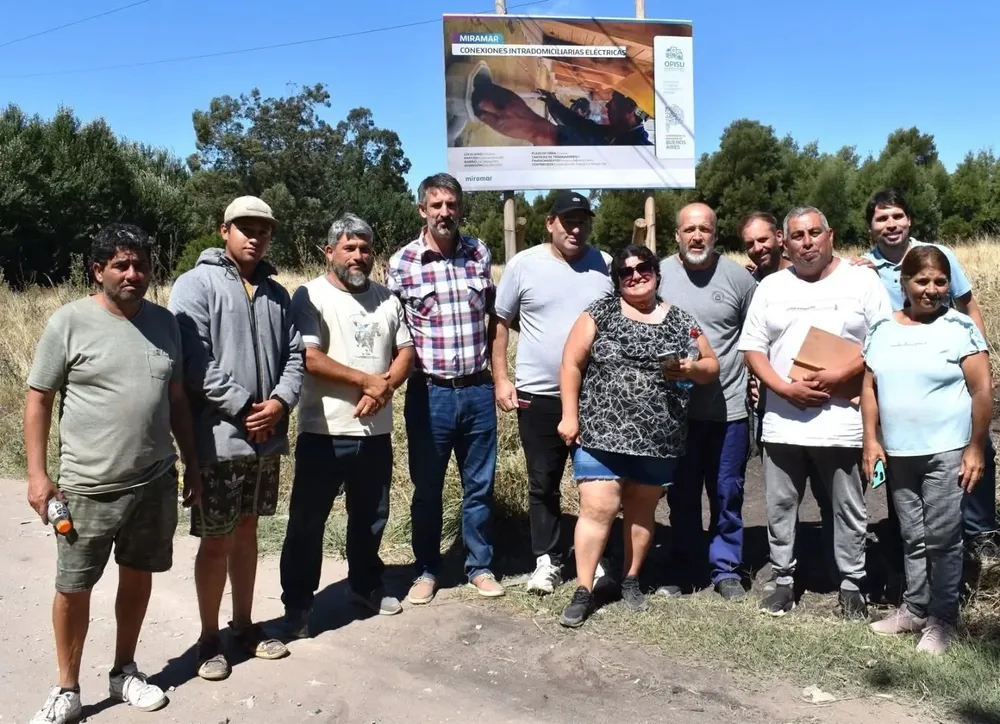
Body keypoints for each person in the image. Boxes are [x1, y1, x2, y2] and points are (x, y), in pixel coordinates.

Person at [24, 223, 201, 723]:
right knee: (73, 586)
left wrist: (192, 463)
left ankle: (125, 672)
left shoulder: (166, 324)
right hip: (87, 487)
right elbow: (39, 399)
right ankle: (67, 689)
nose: (132, 274)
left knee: (138, 575)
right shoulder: (69, 322)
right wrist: (37, 476)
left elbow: (176, 400)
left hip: (154, 480)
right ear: (97, 270)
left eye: (141, 265)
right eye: (121, 265)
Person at [169, 196, 304, 681]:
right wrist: (246, 407)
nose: (255, 237)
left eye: (263, 230)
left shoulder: (277, 293)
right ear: (224, 230)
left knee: (248, 532)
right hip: (218, 439)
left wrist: (280, 403)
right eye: (246, 228)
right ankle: (209, 638)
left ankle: (243, 625)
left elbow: (295, 356)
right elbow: (194, 360)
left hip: (265, 439)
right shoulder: (195, 284)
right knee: (215, 539)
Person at [738, 206, 892, 619]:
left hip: (842, 422)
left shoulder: (862, 281)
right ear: (785, 243)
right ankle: (783, 580)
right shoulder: (771, 287)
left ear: (830, 235)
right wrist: (783, 388)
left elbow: (883, 339)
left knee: (848, 507)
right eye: (797, 236)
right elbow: (753, 348)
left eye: (814, 233)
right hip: (782, 422)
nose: (807, 243)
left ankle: (851, 583)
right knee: (780, 506)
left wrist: (841, 373)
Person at [557, 245, 720, 627]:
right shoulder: (599, 313)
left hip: (659, 436)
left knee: (641, 510)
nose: (635, 275)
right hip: (601, 433)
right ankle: (584, 589)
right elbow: (571, 363)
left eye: (643, 267)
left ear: (656, 272)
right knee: (598, 508)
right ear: (616, 280)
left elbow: (712, 366)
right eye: (625, 272)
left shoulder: (680, 319)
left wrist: (692, 369)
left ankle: (630, 579)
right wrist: (569, 415)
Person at [280, 214, 415, 634]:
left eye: (365, 249)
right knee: (308, 521)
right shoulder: (310, 296)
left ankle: (365, 584)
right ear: (329, 252)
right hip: (324, 431)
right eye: (349, 248)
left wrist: (382, 389)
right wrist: (366, 382)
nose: (358, 256)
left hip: (375, 432)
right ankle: (298, 604)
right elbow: (309, 357)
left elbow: (406, 352)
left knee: (371, 516)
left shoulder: (388, 299)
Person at [854, 188, 997, 562]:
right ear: (870, 227)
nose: (891, 224)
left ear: (909, 220)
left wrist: (978, 356)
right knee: (902, 456)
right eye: (882, 218)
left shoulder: (938, 255)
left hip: (947, 365)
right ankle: (907, 540)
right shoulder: (864, 270)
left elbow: (968, 306)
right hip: (900, 376)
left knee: (975, 446)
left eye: (897, 216)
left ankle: (980, 532)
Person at [862, 246, 991, 654]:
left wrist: (976, 447)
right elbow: (870, 387)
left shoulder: (959, 327)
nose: (931, 290)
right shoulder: (883, 328)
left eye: (940, 282)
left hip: (947, 451)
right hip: (900, 453)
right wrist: (871, 440)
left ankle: (942, 619)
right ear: (904, 283)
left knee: (943, 537)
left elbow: (982, 390)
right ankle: (915, 608)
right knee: (912, 534)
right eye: (922, 281)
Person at [387, 173, 504, 604]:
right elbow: (393, 331)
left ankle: (480, 566)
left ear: (460, 209)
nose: (444, 212)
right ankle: (426, 569)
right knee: (428, 488)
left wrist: (499, 376)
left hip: (477, 390)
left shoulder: (479, 253)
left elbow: (494, 320)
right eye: (436, 205)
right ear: (422, 210)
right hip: (429, 393)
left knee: (480, 486)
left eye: (451, 204)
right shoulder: (402, 263)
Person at [492, 191, 613, 595]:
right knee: (543, 482)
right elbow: (501, 322)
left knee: (596, 482)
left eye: (583, 221)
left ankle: (593, 557)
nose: (576, 229)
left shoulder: (604, 264)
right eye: (568, 221)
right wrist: (501, 378)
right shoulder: (523, 265)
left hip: (595, 395)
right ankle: (547, 559)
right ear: (550, 223)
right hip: (538, 395)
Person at [657, 203, 756, 600]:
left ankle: (725, 568)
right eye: (689, 229)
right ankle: (684, 564)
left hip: (728, 408)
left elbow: (757, 337)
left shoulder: (739, 279)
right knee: (681, 493)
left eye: (705, 230)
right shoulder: (657, 275)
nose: (697, 236)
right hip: (675, 412)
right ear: (677, 235)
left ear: (716, 234)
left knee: (727, 491)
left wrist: (757, 383)